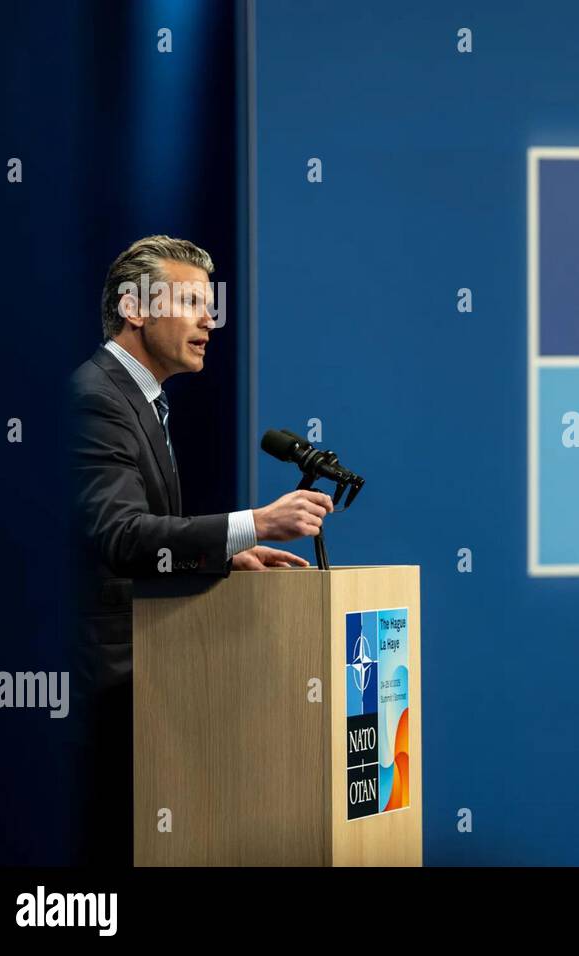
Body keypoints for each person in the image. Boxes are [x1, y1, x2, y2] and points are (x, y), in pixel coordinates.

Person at [67, 235, 333, 865]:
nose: (210, 320)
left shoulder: (140, 398)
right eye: (190, 301)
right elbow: (123, 537)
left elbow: (146, 533)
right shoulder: (97, 398)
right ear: (135, 307)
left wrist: (225, 556)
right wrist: (254, 525)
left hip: (148, 674)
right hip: (105, 686)